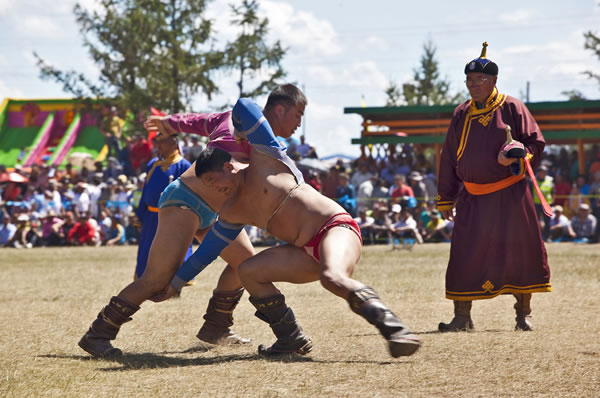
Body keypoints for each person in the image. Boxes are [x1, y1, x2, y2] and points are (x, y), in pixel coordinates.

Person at [155, 98, 421, 358]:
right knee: (247, 270)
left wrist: (237, 130)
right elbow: (208, 250)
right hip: (301, 251)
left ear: (229, 166)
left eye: (215, 180)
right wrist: (175, 284)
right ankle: (290, 338)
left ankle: (395, 329)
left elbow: (245, 106)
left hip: (335, 228)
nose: (216, 188)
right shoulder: (233, 210)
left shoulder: (266, 157)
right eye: (209, 185)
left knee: (333, 277)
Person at [78, 84, 306, 358]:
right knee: (156, 279)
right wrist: (169, 123)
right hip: (184, 201)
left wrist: (170, 122)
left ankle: (217, 326)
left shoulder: (270, 146)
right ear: (279, 109)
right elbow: (200, 121)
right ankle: (98, 334)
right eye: (298, 114)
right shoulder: (237, 124)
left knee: (246, 266)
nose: (299, 123)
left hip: (217, 214)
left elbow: (197, 121)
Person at [436, 42, 551, 333]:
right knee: (465, 254)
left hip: (510, 195)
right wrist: (446, 198)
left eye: (479, 81)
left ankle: (523, 314)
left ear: (494, 81)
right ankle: (462, 317)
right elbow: (449, 155)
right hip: (472, 198)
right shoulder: (461, 113)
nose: (473, 86)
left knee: (519, 252)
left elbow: (534, 143)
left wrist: (515, 153)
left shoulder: (512, 107)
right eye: (469, 81)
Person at [134, 133, 192, 278]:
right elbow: (145, 191)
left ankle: (173, 284)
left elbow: (190, 195)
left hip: (173, 218)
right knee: (147, 250)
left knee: (172, 251)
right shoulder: (152, 165)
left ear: (173, 143)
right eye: (157, 142)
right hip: (151, 217)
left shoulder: (184, 166)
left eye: (162, 142)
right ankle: (145, 283)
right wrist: (140, 215)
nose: (158, 145)